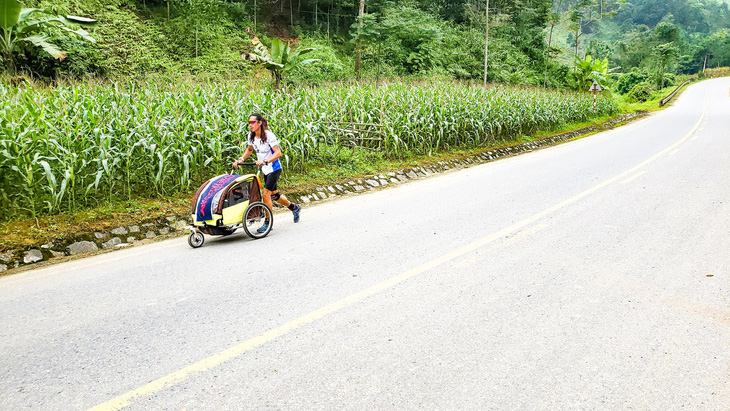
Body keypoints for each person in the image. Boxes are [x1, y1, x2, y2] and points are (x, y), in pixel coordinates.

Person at [233, 113, 301, 231]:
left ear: (259, 123)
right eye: (249, 123)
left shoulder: (269, 136)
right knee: (274, 195)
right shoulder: (251, 136)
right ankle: (294, 207)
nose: (250, 125)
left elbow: (278, 153)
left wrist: (265, 161)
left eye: (253, 122)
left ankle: (268, 222)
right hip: (265, 169)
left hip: (274, 168)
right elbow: (249, 150)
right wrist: (241, 159)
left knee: (266, 193)